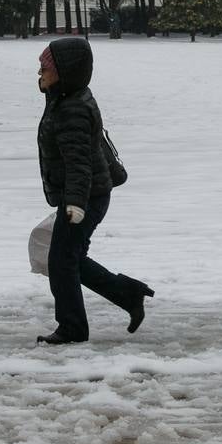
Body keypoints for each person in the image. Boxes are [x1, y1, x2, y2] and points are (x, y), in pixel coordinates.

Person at [35, 37, 153, 345]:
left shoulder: (71, 108)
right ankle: (128, 294)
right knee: (68, 257)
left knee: (61, 261)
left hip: (85, 196)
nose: (39, 72)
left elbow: (79, 162)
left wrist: (75, 204)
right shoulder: (67, 96)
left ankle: (73, 328)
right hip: (89, 193)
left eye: (46, 67)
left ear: (65, 71)